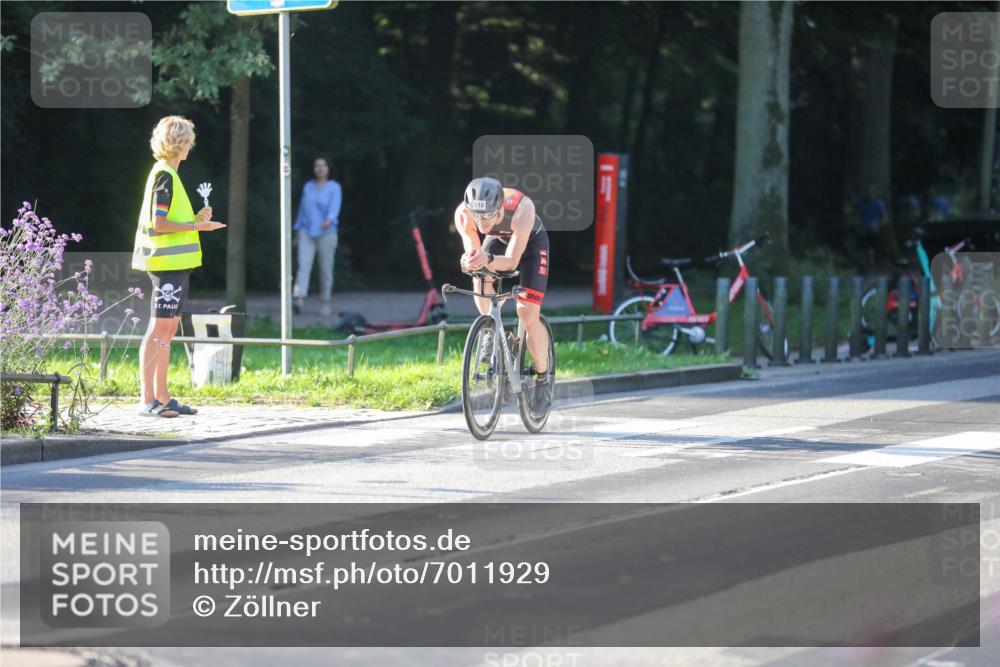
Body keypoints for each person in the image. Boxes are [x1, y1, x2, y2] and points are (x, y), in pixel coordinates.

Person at [132, 116, 225, 418]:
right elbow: (159, 224)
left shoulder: (168, 175)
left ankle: (163, 396)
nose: (189, 146)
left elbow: (170, 221)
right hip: (165, 264)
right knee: (159, 328)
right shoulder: (165, 176)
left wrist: (196, 221)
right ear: (178, 144)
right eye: (186, 141)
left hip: (175, 265)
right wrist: (197, 227)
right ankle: (149, 399)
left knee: (168, 329)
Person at [455, 176, 551, 414]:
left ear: (500, 208)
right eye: (478, 216)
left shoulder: (522, 208)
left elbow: (510, 262)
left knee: (526, 314)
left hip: (530, 246)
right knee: (480, 275)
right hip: (497, 242)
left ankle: (542, 379)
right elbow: (474, 249)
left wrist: (486, 258)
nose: (482, 222)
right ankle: (491, 328)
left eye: (488, 215)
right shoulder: (464, 214)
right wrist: (471, 260)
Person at [293, 157, 342, 317]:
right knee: (303, 266)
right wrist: (297, 231)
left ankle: (325, 302)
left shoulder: (334, 187)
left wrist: (329, 219)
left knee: (325, 269)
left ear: (329, 168)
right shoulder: (308, 186)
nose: (320, 168)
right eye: (317, 166)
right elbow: (302, 209)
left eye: (323, 165)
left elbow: (335, 207)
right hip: (306, 232)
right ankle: (299, 299)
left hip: (326, 233)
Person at [857, 184, 887, 275]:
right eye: (868, 192)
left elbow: (885, 218)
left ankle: (871, 271)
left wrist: (876, 225)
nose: (869, 194)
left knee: (870, 251)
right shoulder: (861, 203)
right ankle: (863, 270)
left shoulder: (878, 203)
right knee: (861, 251)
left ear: (874, 193)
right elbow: (856, 215)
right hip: (862, 231)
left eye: (871, 192)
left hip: (872, 232)